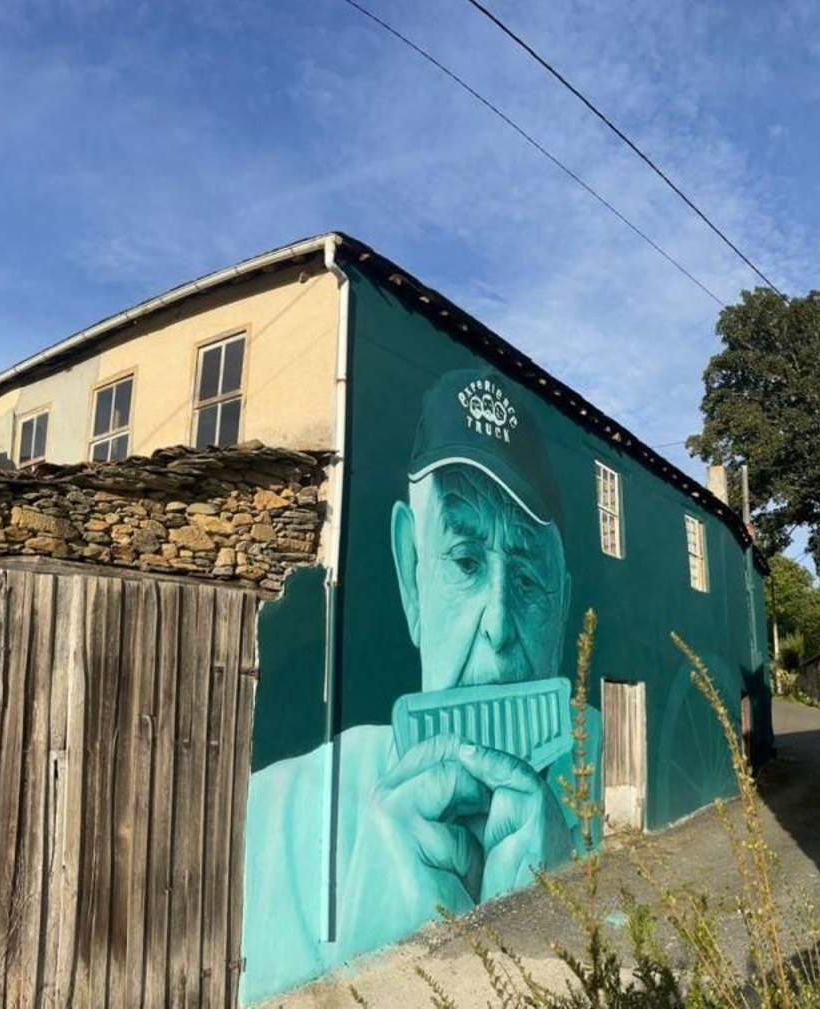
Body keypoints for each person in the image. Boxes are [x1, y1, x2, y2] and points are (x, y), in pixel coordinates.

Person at [242, 369, 577, 1000]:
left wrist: (556, 913)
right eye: (466, 560)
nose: (499, 626)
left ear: (560, 609)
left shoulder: (594, 821)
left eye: (529, 577)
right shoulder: (264, 818)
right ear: (410, 572)